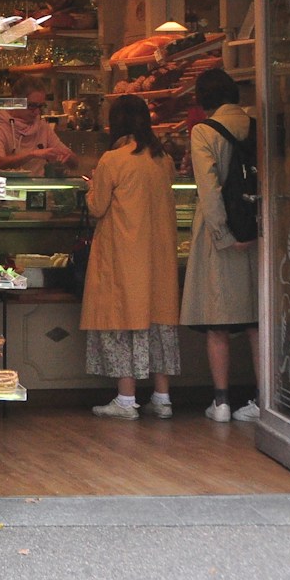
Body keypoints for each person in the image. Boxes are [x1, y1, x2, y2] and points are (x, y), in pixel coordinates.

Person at [80, 94, 181, 420]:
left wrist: (89, 187)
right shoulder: (163, 159)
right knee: (157, 320)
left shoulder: (113, 159)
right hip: (159, 256)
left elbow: (97, 207)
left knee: (125, 318)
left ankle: (126, 400)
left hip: (124, 254)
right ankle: (162, 397)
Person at [180, 68, 262, 423]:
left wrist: (224, 235)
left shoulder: (204, 131)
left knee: (218, 321)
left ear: (203, 98)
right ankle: (264, 398)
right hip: (257, 233)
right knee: (256, 322)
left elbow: (209, 190)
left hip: (222, 237)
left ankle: (222, 401)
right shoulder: (256, 125)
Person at [0, 74, 76, 177]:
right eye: (31, 106)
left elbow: (75, 163)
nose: (36, 111)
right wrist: (33, 154)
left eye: (40, 106)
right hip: (8, 190)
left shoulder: (43, 128)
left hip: (38, 191)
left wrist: (67, 157)